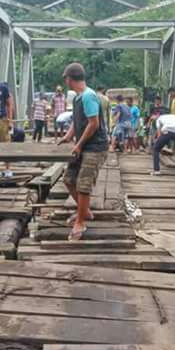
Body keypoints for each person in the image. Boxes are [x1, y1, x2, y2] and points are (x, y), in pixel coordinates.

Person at [58, 63, 108, 241]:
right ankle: (84, 211)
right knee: (69, 179)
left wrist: (78, 144)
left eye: (65, 79)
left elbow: (93, 123)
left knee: (83, 184)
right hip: (83, 145)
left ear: (69, 79)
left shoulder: (88, 96)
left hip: (95, 147)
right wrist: (68, 136)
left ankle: (80, 222)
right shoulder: (77, 98)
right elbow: (77, 121)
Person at [151, 107, 175, 176]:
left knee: (156, 149)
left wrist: (159, 142)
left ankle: (156, 170)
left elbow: (159, 133)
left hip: (167, 131)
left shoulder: (159, 118)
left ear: (159, 114)